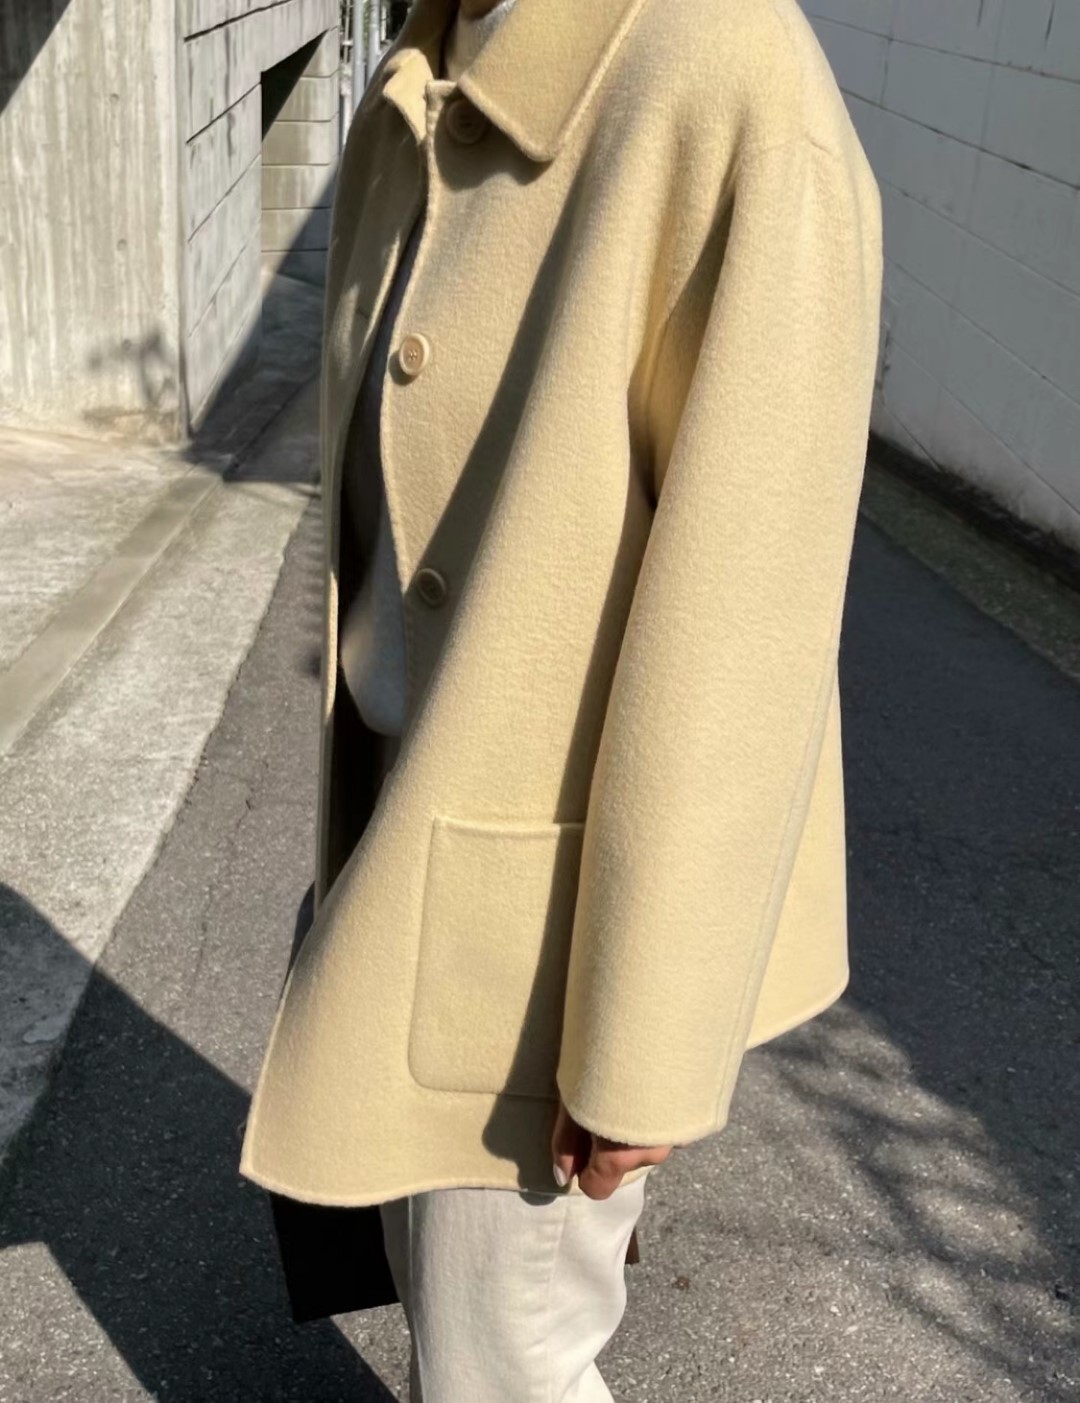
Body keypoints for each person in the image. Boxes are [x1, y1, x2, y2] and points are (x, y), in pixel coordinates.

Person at [240, 0, 883, 1397]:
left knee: (505, 1360)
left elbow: (745, 631)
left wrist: (647, 1035)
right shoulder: (434, 49)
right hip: (404, 830)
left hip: (536, 921)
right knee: (442, 1306)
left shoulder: (725, 81)